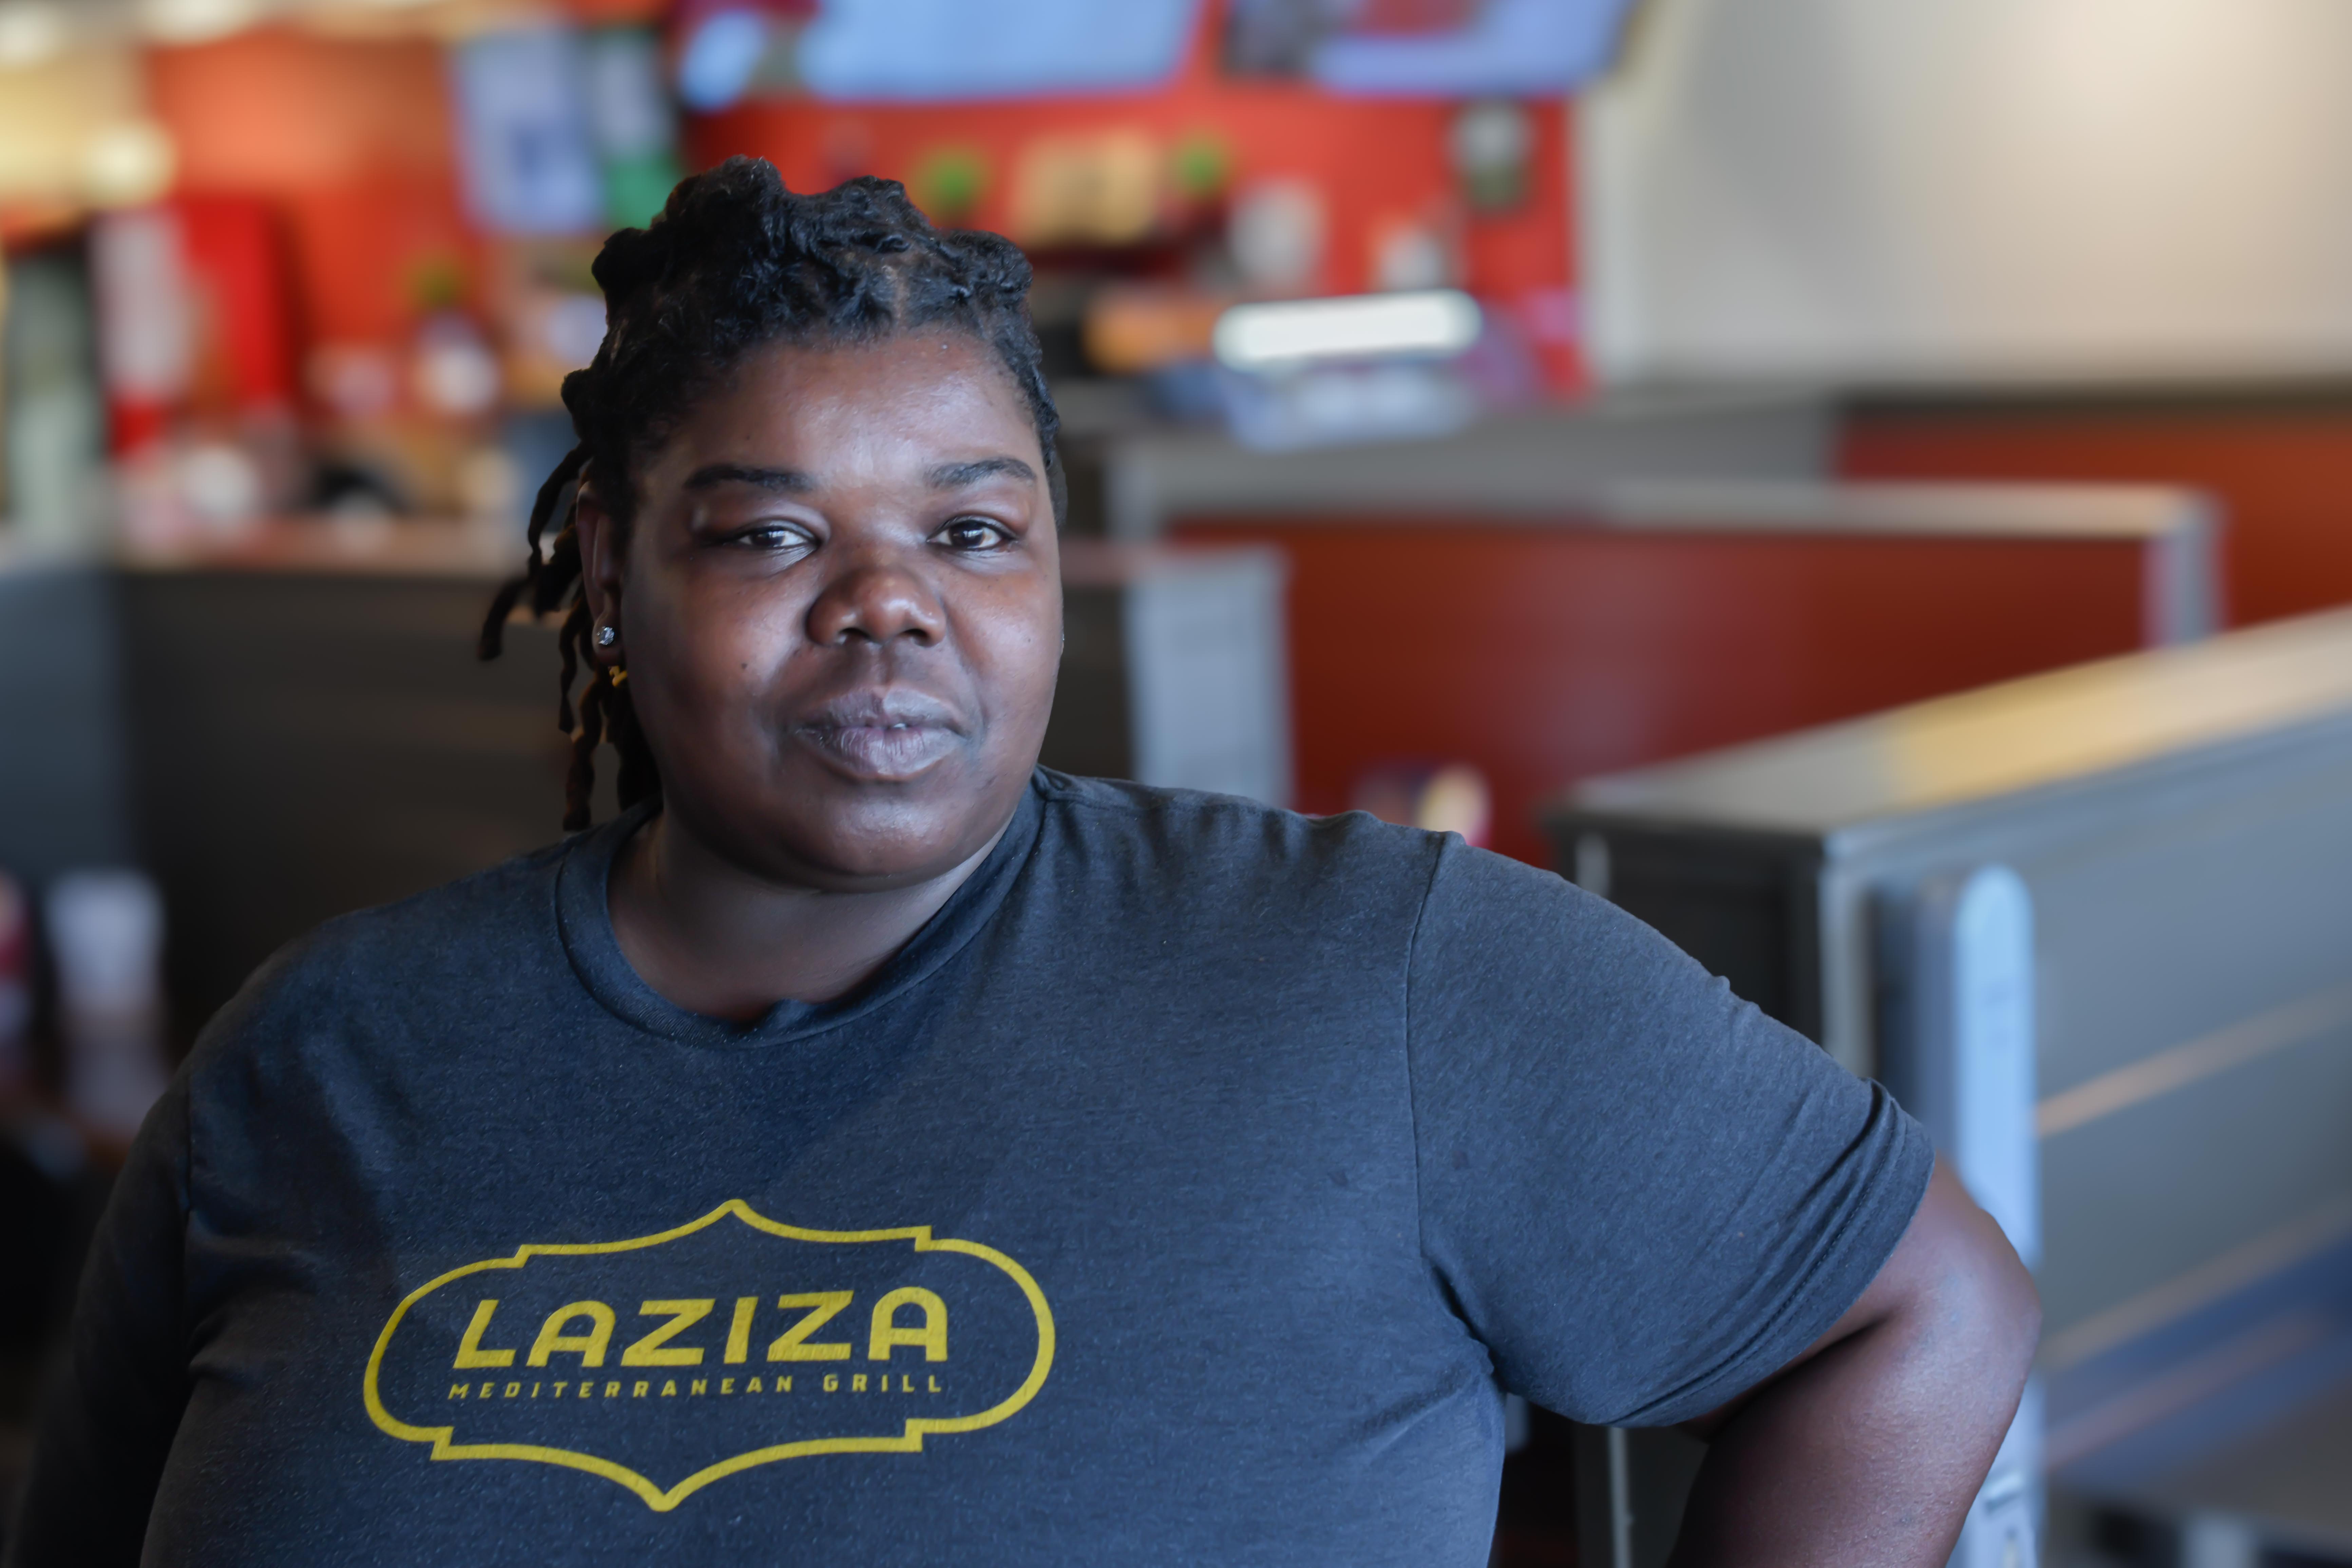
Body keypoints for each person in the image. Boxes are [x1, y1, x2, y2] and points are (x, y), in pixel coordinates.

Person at [6, 161, 2035, 1566]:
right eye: (768, 534)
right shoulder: (322, 1054)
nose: (888, 607)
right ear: (610, 583)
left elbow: (1921, 1311)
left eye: (971, 533)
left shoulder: (1384, 976)